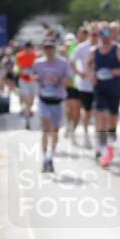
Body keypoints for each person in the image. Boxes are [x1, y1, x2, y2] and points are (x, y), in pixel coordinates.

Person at [88, 22, 120, 167]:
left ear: (111, 35)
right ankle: (102, 149)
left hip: (115, 89)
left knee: (112, 120)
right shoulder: (94, 51)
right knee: (101, 117)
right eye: (101, 34)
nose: (104, 37)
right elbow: (89, 65)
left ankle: (111, 136)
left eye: (107, 33)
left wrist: (119, 71)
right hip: (100, 88)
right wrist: (91, 75)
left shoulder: (119, 50)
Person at [29, 36, 74, 173]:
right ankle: (45, 159)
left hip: (58, 101)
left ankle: (50, 156)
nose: (48, 50)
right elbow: (31, 76)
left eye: (51, 48)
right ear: (43, 49)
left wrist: (58, 80)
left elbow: (71, 82)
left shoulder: (63, 63)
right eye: (46, 47)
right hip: (44, 100)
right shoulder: (38, 63)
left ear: (55, 49)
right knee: (46, 128)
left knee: (55, 131)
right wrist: (36, 78)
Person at [72, 24, 99, 145]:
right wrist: (79, 73)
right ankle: (86, 132)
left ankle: (97, 135)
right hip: (85, 85)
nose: (95, 36)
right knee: (87, 111)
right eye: (93, 34)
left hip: (99, 84)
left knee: (98, 111)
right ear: (89, 35)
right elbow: (71, 62)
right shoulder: (81, 47)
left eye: (97, 34)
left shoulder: (103, 47)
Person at [63, 28, 87, 138]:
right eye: (81, 34)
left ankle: (73, 129)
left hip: (83, 83)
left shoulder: (90, 47)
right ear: (78, 35)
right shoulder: (71, 46)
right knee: (70, 106)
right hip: (71, 81)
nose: (83, 37)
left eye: (85, 35)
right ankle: (68, 124)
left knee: (77, 109)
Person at [16, 41, 39, 129]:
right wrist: (25, 72)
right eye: (26, 49)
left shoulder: (36, 55)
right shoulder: (19, 56)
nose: (27, 51)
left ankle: (28, 111)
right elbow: (19, 68)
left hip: (33, 81)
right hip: (24, 80)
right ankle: (27, 119)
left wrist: (33, 73)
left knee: (32, 101)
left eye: (29, 49)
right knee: (27, 99)